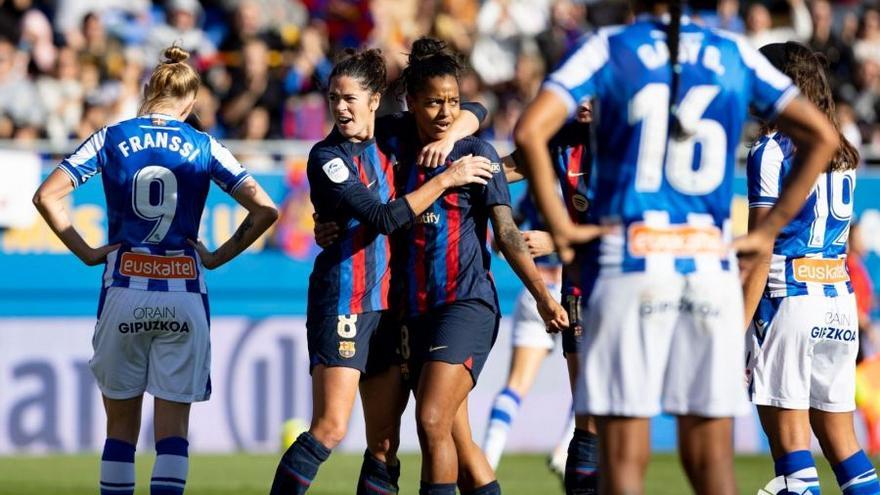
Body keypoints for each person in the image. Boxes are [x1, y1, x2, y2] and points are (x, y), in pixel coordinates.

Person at [513, 0, 840, 493]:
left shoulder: (608, 48)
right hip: (707, 267)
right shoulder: (736, 52)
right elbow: (822, 135)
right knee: (712, 463)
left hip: (633, 259)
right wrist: (767, 228)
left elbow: (530, 129)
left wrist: (562, 228)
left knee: (622, 456)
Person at [32, 45, 279, 495]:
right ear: (191, 102)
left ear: (149, 90)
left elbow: (46, 196)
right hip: (184, 293)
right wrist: (217, 256)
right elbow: (265, 209)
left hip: (124, 285)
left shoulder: (111, 136)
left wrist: (87, 252)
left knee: (119, 435)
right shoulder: (204, 144)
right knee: (172, 436)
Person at [268, 47, 494, 495]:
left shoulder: (393, 136)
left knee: (384, 444)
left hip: (390, 309)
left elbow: (474, 108)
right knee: (330, 427)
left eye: (350, 98)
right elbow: (385, 218)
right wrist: (447, 177)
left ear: (375, 101)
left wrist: (450, 141)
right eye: (334, 98)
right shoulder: (327, 156)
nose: (340, 108)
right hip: (345, 302)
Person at [390, 36, 569, 495]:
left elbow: (507, 235)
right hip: (415, 310)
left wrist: (544, 297)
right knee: (458, 437)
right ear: (410, 102)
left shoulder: (477, 154)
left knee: (430, 420)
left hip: (466, 305)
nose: (446, 112)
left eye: (452, 102)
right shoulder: (394, 144)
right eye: (433, 103)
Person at [744, 41, 880, 495]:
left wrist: (735, 329)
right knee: (846, 448)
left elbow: (760, 247)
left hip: (789, 301)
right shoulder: (840, 149)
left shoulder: (770, 150)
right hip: (838, 303)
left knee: (794, 468)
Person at [483, 100, 599, 492]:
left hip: (627, 286)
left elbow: (640, 225)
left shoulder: (632, 139)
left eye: (592, 93)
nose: (582, 102)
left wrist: (559, 238)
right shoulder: (563, 138)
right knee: (587, 413)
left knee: (618, 414)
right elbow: (507, 167)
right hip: (578, 286)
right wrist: (457, 165)